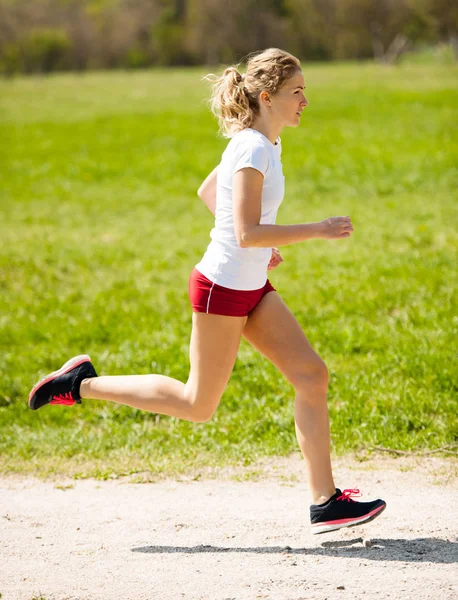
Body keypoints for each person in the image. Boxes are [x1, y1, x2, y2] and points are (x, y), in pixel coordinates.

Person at [28, 48, 386, 534]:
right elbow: (245, 232)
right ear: (268, 97)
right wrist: (316, 229)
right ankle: (77, 384)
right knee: (198, 404)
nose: (305, 100)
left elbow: (209, 195)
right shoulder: (254, 148)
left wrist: (261, 251)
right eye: (297, 92)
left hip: (250, 284)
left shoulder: (263, 142)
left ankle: (325, 501)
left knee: (311, 375)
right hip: (221, 288)